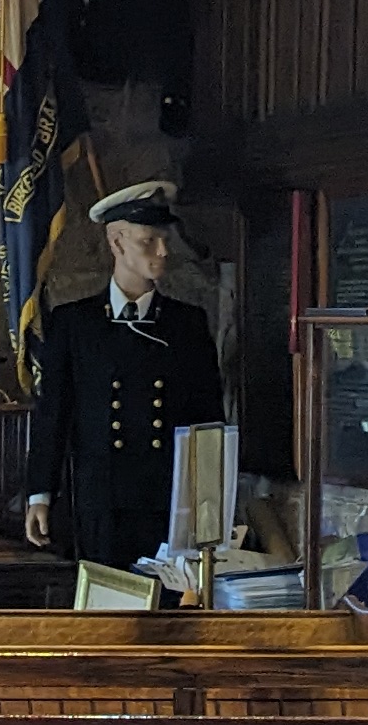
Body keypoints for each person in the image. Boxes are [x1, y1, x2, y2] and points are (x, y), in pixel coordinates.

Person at [22, 182, 227, 563]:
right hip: (99, 500)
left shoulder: (186, 323)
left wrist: (209, 505)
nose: (163, 251)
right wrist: (40, 494)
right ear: (116, 242)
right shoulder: (74, 323)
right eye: (148, 241)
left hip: (168, 500)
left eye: (164, 240)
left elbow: (208, 419)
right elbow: (53, 414)